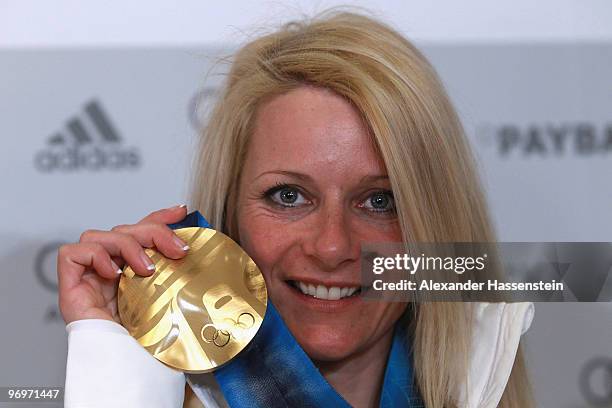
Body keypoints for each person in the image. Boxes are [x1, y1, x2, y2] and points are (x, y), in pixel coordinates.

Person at [58, 9, 535, 408]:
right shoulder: (128, 392)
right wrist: (119, 372)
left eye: (380, 200)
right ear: (230, 216)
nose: (332, 246)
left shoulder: (486, 380)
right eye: (289, 196)